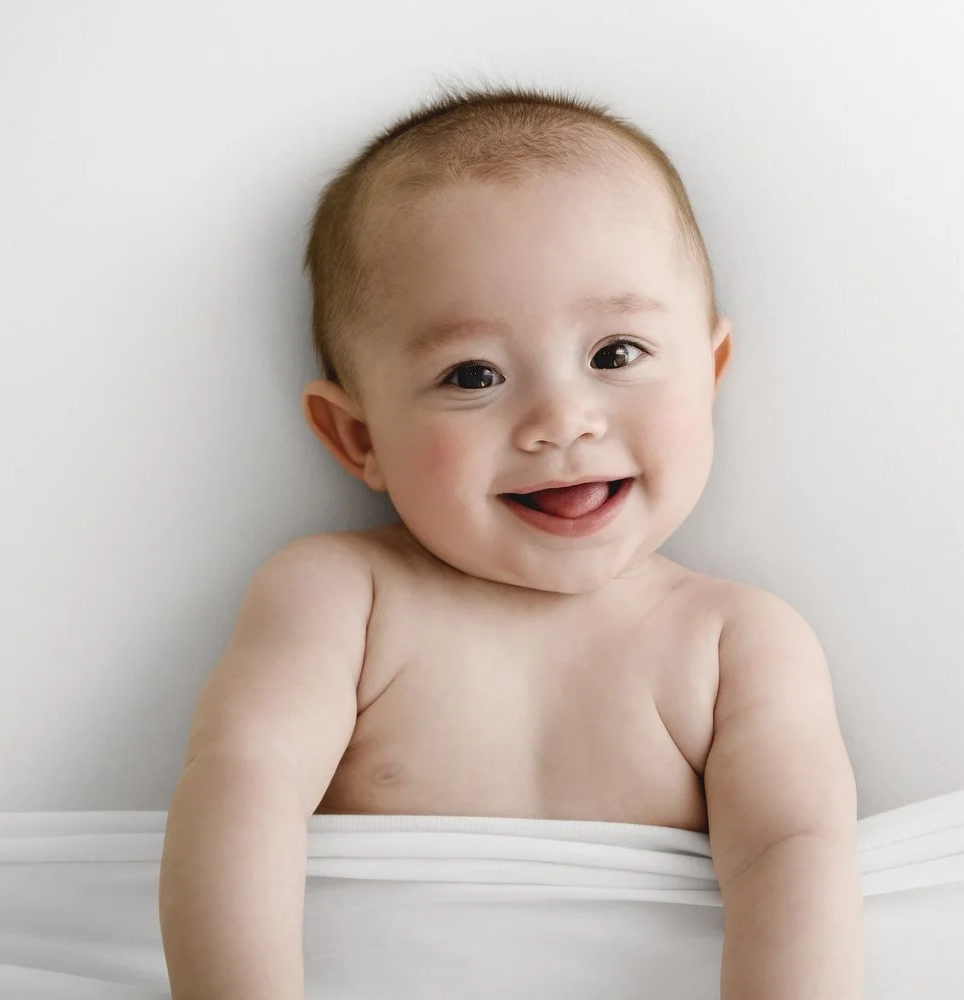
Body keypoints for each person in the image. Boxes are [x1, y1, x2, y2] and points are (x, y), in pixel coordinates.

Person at [159, 82, 863, 1000]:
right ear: (358, 439)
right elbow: (240, 788)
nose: (561, 421)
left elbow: (795, 855)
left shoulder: (738, 642)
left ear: (711, 370)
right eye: (473, 374)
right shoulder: (343, 599)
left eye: (615, 354)